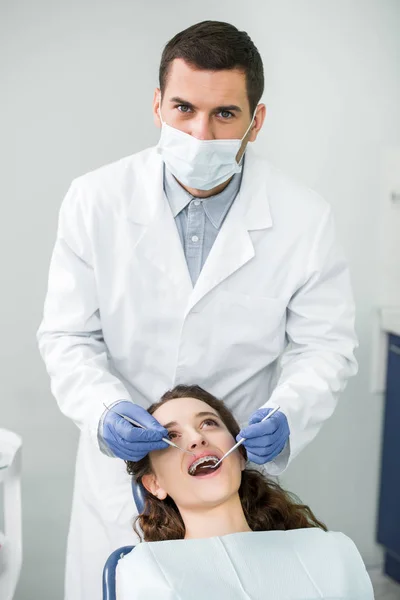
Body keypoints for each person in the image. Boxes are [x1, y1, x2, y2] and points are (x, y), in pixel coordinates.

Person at [37, 20, 358, 600]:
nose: (199, 132)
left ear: (255, 122)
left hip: (231, 482)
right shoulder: (96, 201)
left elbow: (325, 346)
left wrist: (288, 411)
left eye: (224, 115)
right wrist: (106, 410)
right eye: (183, 108)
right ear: (157, 103)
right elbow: (67, 337)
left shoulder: (304, 219)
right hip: (121, 484)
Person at [116, 385, 373, 599]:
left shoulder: (329, 552)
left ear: (240, 455)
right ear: (154, 485)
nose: (196, 438)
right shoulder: (147, 572)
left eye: (208, 423)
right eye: (171, 435)